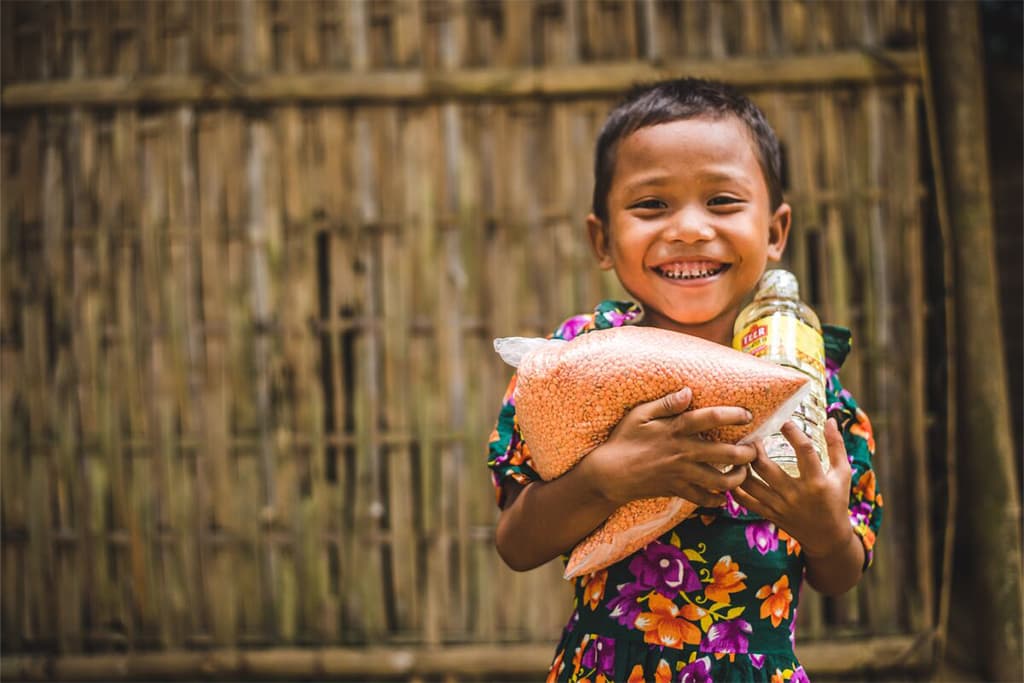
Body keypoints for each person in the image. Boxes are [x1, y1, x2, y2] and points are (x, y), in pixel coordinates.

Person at [486, 78, 883, 682]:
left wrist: (824, 530)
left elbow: (841, 574)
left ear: (775, 232)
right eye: (652, 206)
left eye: (722, 201)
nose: (691, 229)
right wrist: (602, 479)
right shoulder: (575, 365)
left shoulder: (813, 389)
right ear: (602, 238)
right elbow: (516, 545)